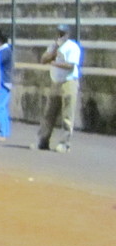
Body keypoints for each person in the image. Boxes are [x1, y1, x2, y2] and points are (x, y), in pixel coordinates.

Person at [37, 23, 83, 152]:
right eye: (58, 33)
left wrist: (54, 63)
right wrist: (54, 51)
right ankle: (43, 141)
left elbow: (70, 66)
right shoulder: (53, 46)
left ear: (67, 35)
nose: (59, 35)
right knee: (49, 113)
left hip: (69, 81)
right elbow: (43, 60)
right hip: (55, 82)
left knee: (67, 114)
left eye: (62, 33)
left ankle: (65, 143)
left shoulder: (72, 47)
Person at [0, 29, 14, 140]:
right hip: (5, 82)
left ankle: (1, 133)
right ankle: (4, 132)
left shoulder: (4, 51)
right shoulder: (5, 50)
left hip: (3, 82)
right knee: (2, 108)